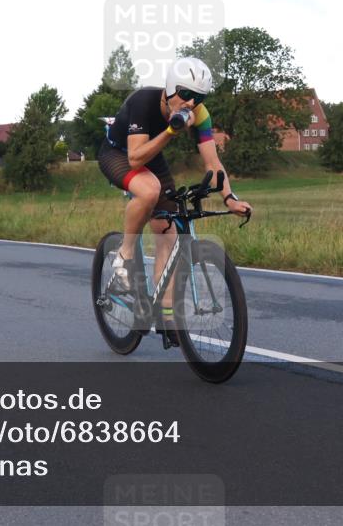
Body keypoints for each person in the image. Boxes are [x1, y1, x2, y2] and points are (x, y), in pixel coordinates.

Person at [97, 56, 253, 347]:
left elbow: (212, 161)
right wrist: (170, 131)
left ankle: (166, 314)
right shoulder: (144, 102)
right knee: (149, 190)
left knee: (167, 231)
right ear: (170, 89)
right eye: (186, 94)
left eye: (199, 97)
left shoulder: (200, 115)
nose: (192, 103)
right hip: (117, 154)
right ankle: (124, 254)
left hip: (151, 156)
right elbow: (134, 158)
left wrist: (229, 197)